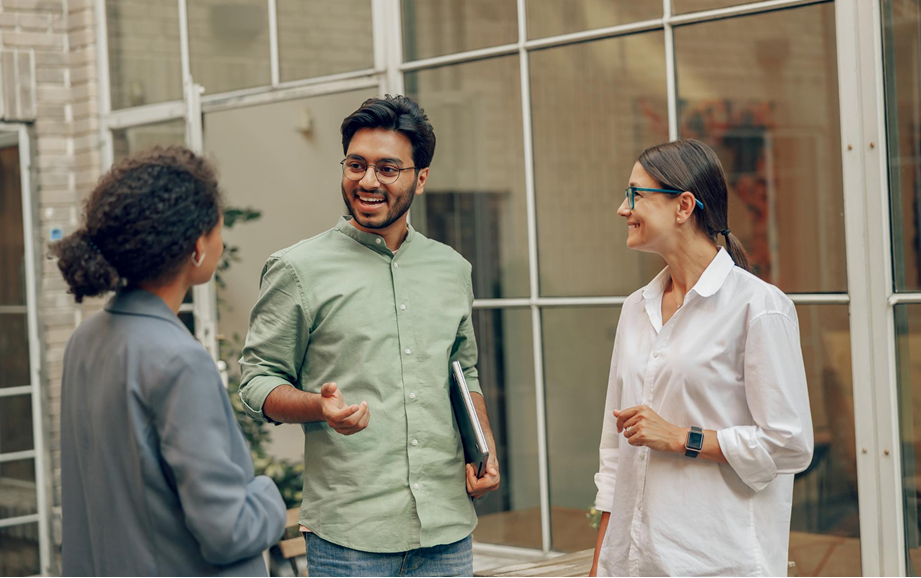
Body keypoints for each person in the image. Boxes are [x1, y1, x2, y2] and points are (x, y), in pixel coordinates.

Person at [238, 94, 500, 577]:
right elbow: (256, 382)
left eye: (387, 168)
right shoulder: (296, 269)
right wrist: (319, 407)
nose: (368, 181)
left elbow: (465, 375)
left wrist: (482, 449)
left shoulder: (451, 269)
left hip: (446, 529)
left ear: (421, 178)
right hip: (349, 538)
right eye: (355, 165)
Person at [54, 147, 286, 576]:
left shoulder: (84, 341)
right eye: (218, 224)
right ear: (198, 245)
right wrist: (269, 497)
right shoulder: (178, 360)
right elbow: (228, 530)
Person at [589, 139, 814, 577]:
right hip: (634, 563)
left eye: (636, 194)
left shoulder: (759, 307)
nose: (622, 207)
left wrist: (681, 438)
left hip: (719, 561)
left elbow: (790, 444)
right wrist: (603, 564)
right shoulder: (635, 309)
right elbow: (613, 454)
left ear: (683, 206)